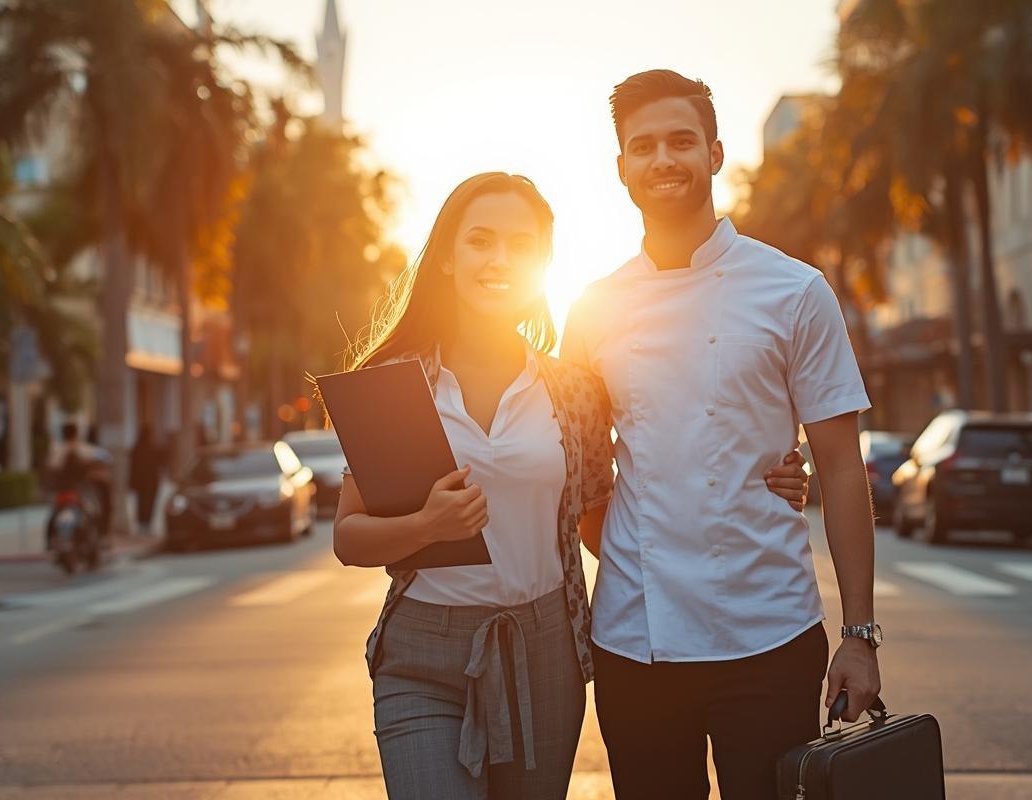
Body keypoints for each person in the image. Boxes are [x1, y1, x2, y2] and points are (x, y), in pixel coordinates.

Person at [332, 172, 811, 800]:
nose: (499, 259)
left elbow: (616, 499)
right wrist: (428, 526)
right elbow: (348, 536)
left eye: (521, 245)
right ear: (446, 256)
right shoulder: (394, 384)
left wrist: (755, 488)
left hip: (545, 649)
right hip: (423, 653)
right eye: (479, 240)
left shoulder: (573, 391)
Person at [559, 70, 884, 800]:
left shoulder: (794, 291)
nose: (663, 159)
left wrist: (859, 637)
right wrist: (634, 542)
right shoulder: (592, 310)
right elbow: (580, 471)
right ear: (620, 169)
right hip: (634, 641)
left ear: (715, 152)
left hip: (768, 634)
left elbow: (838, 469)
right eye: (642, 146)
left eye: (681, 140)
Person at [128, 425, 163, 536]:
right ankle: (144, 524)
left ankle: (145, 524)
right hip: (147, 483)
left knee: (144, 503)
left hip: (145, 483)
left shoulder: (140, 448)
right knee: (145, 503)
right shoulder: (147, 448)